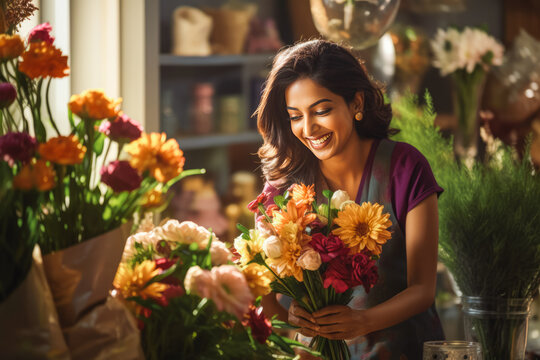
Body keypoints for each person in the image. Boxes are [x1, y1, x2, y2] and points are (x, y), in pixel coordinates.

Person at [255, 39, 445, 359]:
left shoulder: (404, 167)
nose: (308, 128)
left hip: (403, 351)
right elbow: (265, 297)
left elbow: (423, 290)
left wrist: (362, 321)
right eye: (295, 116)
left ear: (356, 103)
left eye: (322, 110)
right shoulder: (282, 187)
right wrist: (288, 315)